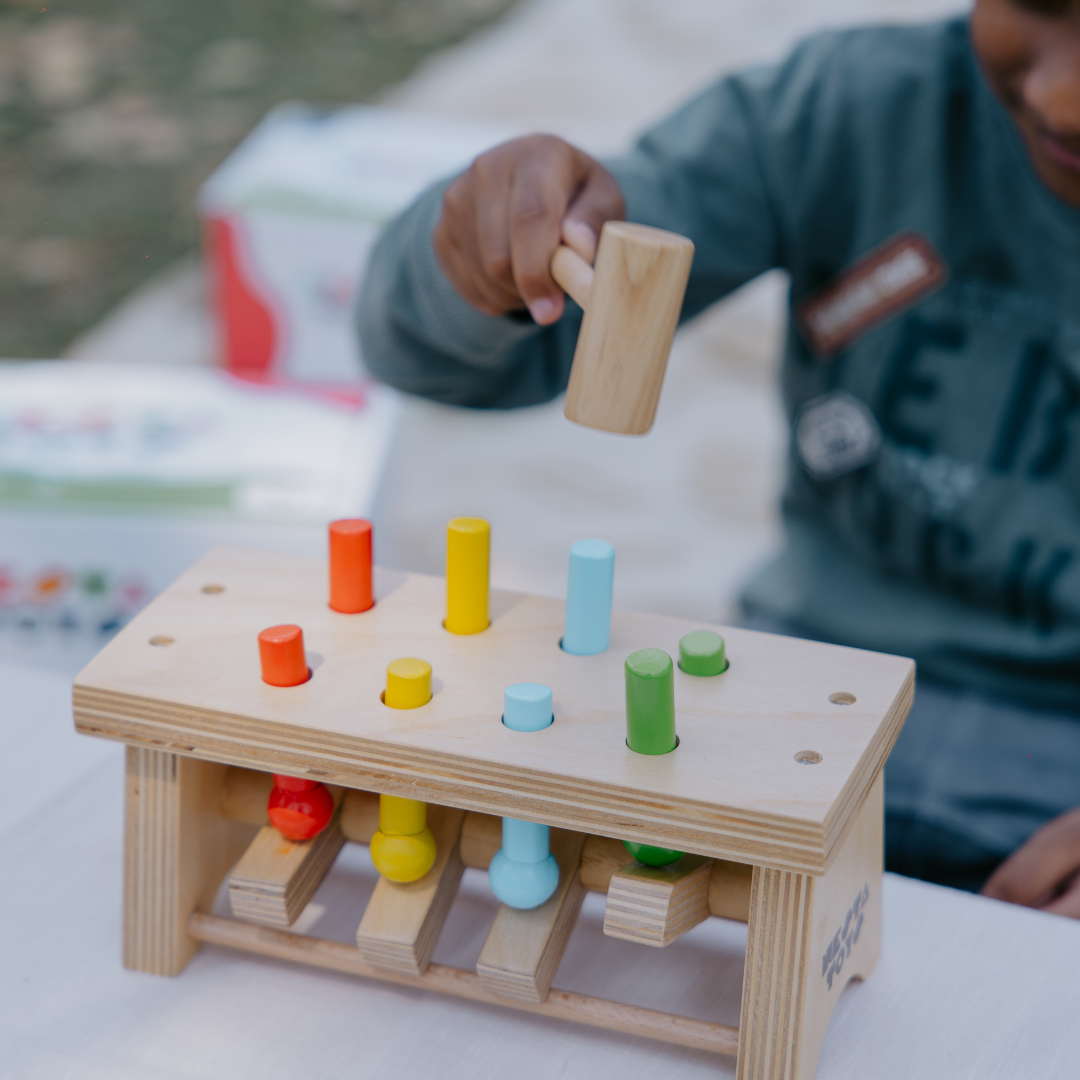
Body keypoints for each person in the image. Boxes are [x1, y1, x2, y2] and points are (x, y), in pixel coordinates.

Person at [357, 0, 1080, 912]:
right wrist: (477, 250)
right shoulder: (849, 109)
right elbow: (417, 348)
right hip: (795, 712)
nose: (1063, 98)